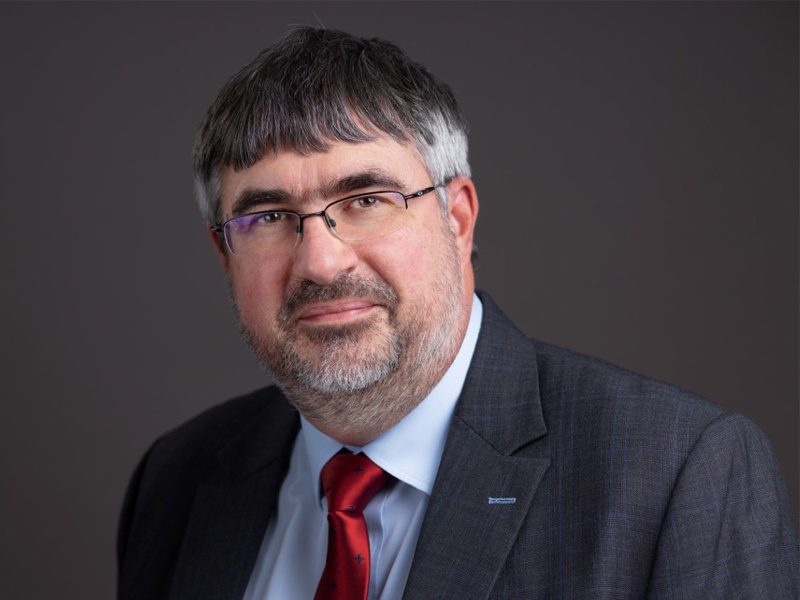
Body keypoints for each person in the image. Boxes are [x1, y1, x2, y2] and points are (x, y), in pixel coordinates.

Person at [117, 27, 798, 600]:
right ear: (224, 253)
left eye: (367, 200)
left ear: (458, 219)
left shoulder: (676, 474)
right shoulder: (175, 480)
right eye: (268, 216)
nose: (320, 262)